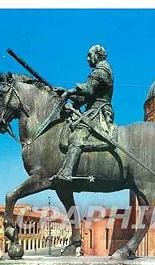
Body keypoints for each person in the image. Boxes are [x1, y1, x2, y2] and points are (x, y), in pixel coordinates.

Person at [52, 44, 114, 181]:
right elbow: (85, 98)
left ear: (97, 55)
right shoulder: (99, 69)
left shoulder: (101, 70)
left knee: (77, 136)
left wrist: (70, 91)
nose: (87, 59)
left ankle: (67, 172)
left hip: (98, 111)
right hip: (93, 108)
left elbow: (88, 90)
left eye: (89, 55)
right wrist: (65, 93)